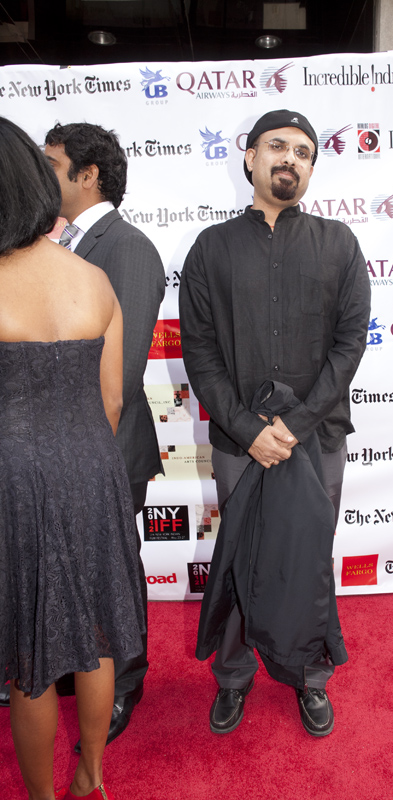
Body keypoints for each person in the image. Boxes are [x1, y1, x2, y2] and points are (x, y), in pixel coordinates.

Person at [179, 109, 371, 737]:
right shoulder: (211, 248)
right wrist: (248, 429)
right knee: (240, 557)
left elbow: (350, 343)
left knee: (308, 558)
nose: (291, 158)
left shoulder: (339, 243)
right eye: (277, 146)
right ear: (250, 157)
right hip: (241, 443)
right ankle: (233, 676)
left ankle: (310, 676)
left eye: (304, 152)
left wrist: (294, 424)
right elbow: (200, 351)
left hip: (317, 439)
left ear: (311, 169)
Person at [0, 116, 145, 799]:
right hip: (92, 467)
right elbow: (111, 400)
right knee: (96, 632)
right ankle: (92, 776)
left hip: (14, 479)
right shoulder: (93, 280)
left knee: (29, 660)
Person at [40, 122, 165, 748]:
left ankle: (125, 681)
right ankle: (75, 666)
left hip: (106, 448)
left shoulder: (128, 249)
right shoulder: (60, 243)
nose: (41, 175)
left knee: (111, 571)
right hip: (60, 446)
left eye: (51, 164)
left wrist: (79, 453)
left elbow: (124, 370)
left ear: (87, 175)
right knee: (69, 568)